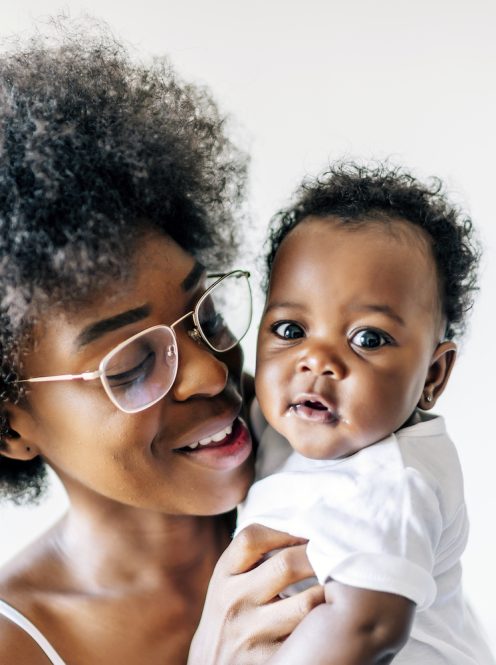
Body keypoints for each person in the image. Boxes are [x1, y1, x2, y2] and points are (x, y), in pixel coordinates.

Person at [0, 24, 324, 664]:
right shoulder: (18, 646)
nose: (208, 371)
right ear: (11, 429)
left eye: (203, 311)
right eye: (132, 364)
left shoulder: (329, 483)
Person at [237, 163, 496, 664]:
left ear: (433, 376)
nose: (317, 361)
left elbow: (367, 627)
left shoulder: (394, 484)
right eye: (290, 330)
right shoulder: (285, 426)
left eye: (368, 339)